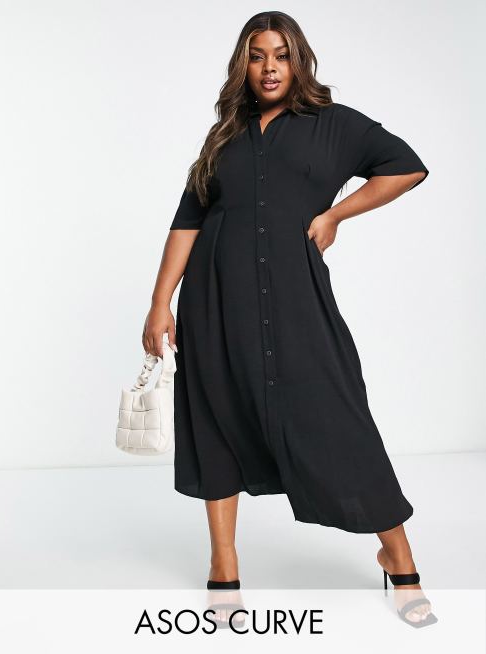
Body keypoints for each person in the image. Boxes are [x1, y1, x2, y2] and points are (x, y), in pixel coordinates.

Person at [143, 11, 437, 628]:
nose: (269, 67)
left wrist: (335, 215)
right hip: (214, 301)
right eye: (257, 56)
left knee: (338, 415)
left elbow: (406, 166)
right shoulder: (224, 135)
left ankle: (397, 554)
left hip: (295, 299)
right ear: (243, 65)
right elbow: (188, 220)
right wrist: (160, 301)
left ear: (299, 60)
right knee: (215, 419)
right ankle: (224, 564)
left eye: (281, 55)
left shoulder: (333, 125)